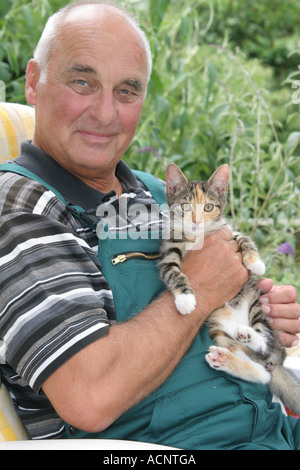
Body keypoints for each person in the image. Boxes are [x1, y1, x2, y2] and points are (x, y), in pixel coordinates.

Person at [0, 0, 299, 449]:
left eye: (127, 90)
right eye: (82, 81)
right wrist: (202, 289)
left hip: (271, 427)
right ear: (34, 82)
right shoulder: (22, 208)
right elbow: (91, 397)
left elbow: (223, 300)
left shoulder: (158, 193)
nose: (105, 112)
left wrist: (263, 315)